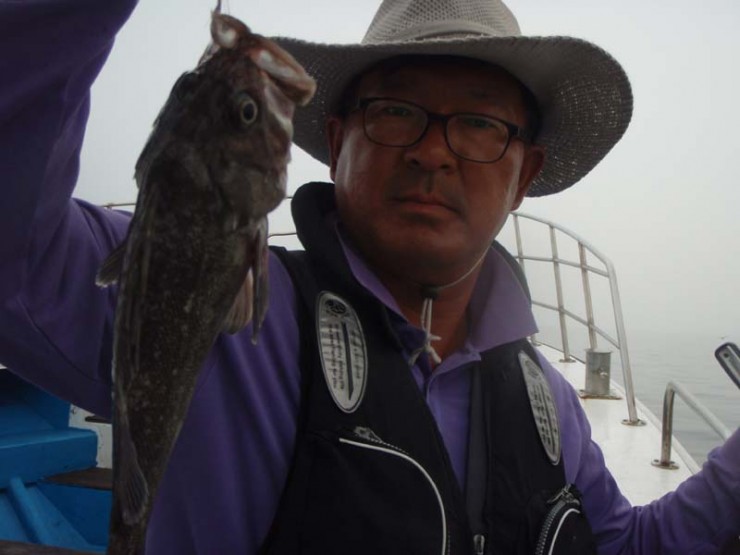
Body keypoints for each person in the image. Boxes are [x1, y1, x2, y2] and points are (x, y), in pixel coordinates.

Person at [1, 0, 738, 553]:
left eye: (480, 124)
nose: (432, 152)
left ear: (525, 176)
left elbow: (629, 544)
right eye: (396, 110)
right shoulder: (218, 311)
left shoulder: (550, 403)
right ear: (337, 139)